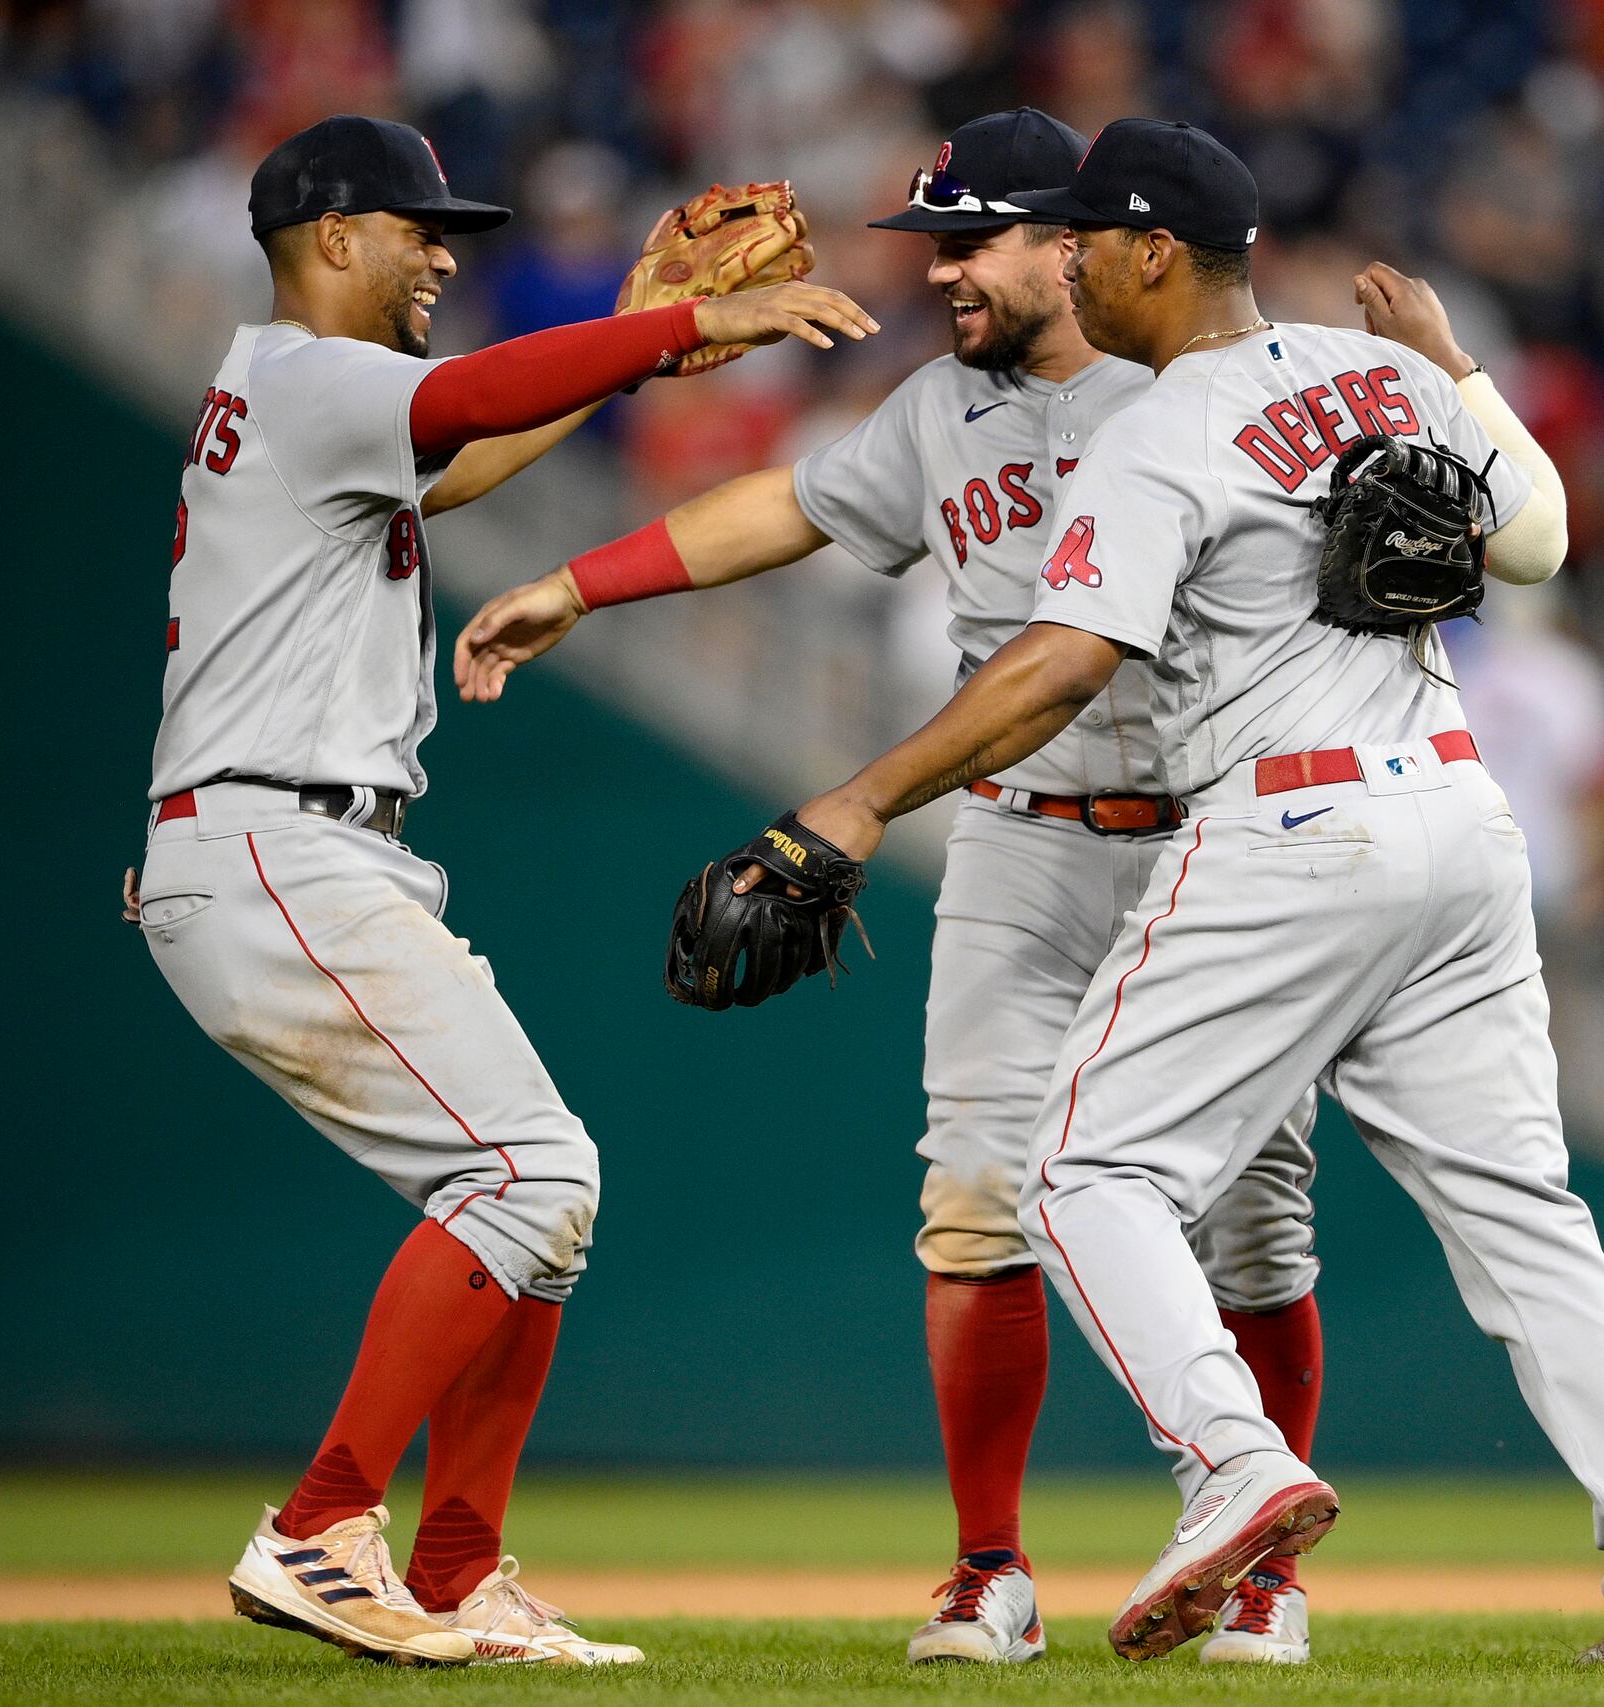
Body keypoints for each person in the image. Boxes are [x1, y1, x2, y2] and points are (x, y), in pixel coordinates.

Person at [736, 119, 1604, 1666]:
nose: (1064, 262)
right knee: (1529, 1219)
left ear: (1151, 255)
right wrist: (1458, 367)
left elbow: (1063, 661)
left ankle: (1232, 1464)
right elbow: (1537, 540)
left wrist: (859, 797)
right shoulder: (1378, 370)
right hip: (1457, 813)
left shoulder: (1158, 430)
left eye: (1085, 240)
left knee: (1081, 1172)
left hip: (1292, 828)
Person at [454, 109, 1325, 1666]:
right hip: (1016, 834)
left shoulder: (1202, 392)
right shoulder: (938, 407)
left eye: (971, 241)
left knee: (1254, 1224)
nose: (943, 275)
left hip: (1216, 829)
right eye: (932, 246)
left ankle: (1267, 1574)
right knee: (974, 1196)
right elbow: (786, 506)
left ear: (1078, 240)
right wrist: (576, 584)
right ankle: (990, 1562)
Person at [128, 114, 876, 1668]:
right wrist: (683, 322)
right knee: (529, 1176)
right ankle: (322, 1524)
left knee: (542, 1196)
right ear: (333, 237)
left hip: (287, 842)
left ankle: (460, 1571)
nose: (445, 250)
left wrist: (620, 347)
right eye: (419, 225)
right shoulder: (305, 371)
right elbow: (463, 401)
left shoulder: (309, 402)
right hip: (276, 842)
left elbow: (455, 465)